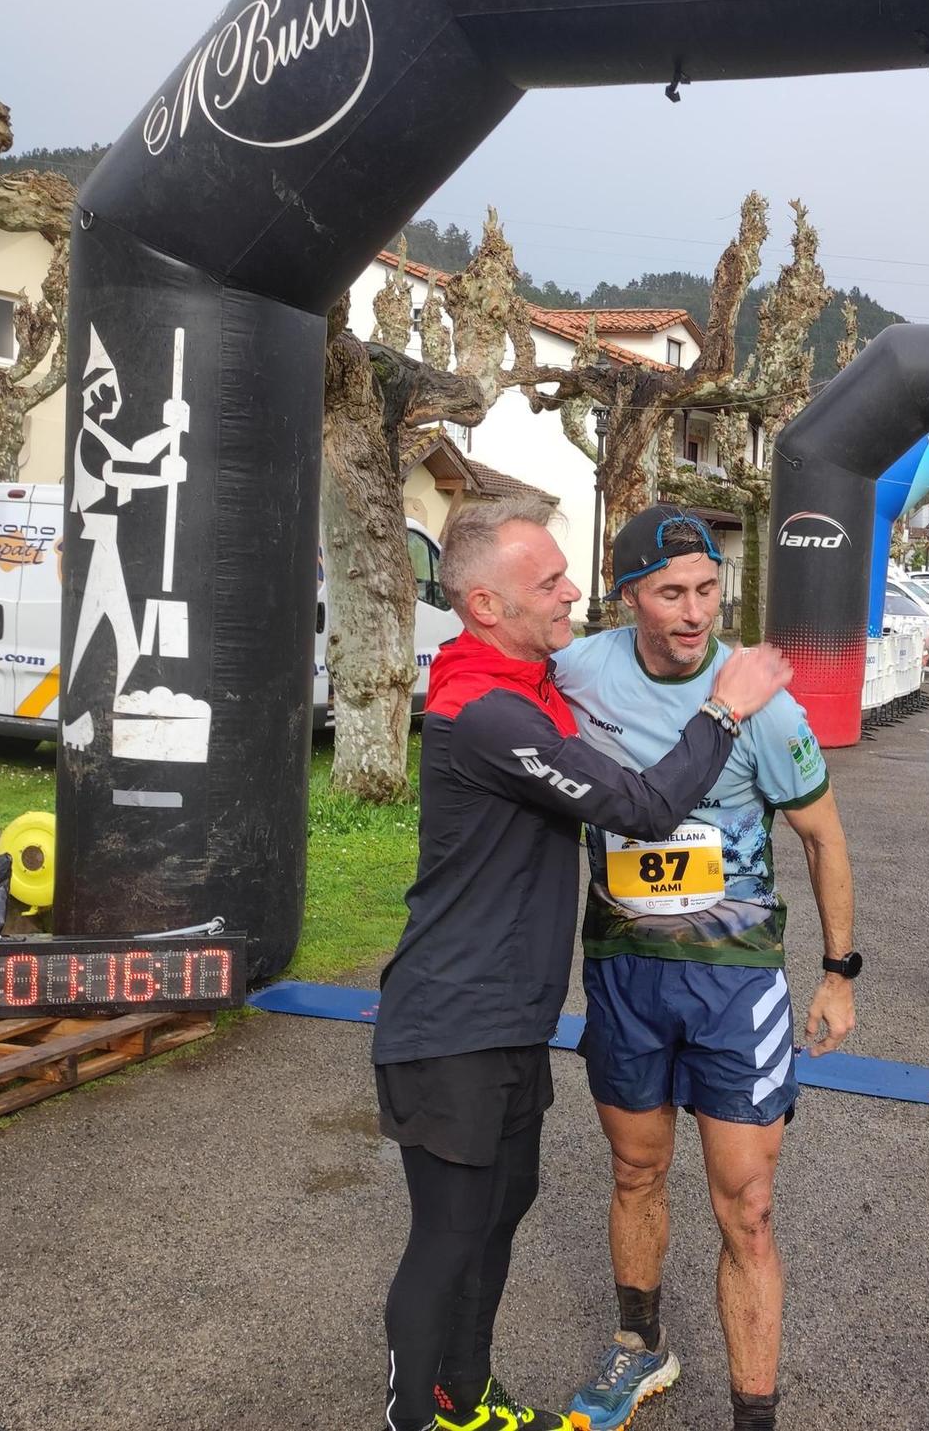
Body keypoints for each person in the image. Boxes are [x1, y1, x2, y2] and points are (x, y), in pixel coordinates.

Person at [373, 498, 795, 1431]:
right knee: (447, 1238)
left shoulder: (523, 684)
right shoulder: (484, 712)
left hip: (510, 1017)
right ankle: (415, 1418)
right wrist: (728, 704)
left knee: (503, 1207)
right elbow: (641, 808)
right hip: (450, 1020)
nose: (574, 594)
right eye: (550, 583)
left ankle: (466, 1397)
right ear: (486, 605)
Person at [555, 506, 859, 1431]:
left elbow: (822, 837)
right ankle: (635, 1350)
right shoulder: (579, 671)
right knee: (635, 1170)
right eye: (671, 592)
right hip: (623, 973)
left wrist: (839, 969)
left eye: (707, 590)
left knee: (749, 1206)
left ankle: (753, 1416)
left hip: (733, 987)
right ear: (628, 598)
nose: (695, 613)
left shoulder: (761, 701)